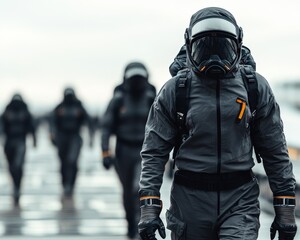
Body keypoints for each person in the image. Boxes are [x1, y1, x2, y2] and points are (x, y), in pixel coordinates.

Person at [138, 7, 297, 240]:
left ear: (238, 44)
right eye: (205, 48)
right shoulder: (176, 91)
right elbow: (154, 152)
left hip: (239, 200)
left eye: (223, 48)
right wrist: (149, 207)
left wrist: (285, 209)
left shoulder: (254, 88)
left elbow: (275, 150)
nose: (215, 60)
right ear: (190, 45)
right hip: (190, 202)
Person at [101, 61, 156, 239]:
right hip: (123, 151)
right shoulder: (118, 100)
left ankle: (141, 224)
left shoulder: (151, 98)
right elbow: (106, 127)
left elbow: (165, 127)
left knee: (138, 188)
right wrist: (105, 152)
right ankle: (130, 223)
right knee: (126, 191)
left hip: (144, 150)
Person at [49, 87, 94, 200]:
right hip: (62, 137)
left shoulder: (79, 107)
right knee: (63, 162)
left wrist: (91, 137)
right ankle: (65, 184)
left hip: (75, 137)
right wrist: (52, 135)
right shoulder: (60, 107)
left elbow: (89, 121)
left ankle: (71, 185)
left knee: (72, 161)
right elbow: (52, 121)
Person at [0, 93, 37, 207]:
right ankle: (15, 186)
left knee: (18, 165)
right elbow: (1, 125)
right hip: (9, 142)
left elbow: (32, 126)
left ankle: (17, 187)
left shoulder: (25, 113)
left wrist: (35, 139)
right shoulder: (7, 112)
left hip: (21, 141)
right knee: (11, 167)